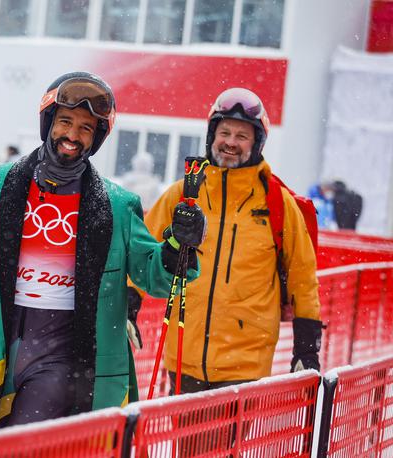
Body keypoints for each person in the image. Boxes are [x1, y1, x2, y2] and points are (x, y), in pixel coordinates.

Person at [0, 72, 206, 439]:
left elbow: (152, 273)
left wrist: (178, 246)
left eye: (86, 128)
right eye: (65, 122)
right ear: (48, 123)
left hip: (62, 352)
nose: (73, 136)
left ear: (97, 137)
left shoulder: (117, 206)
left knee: (22, 441)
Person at [129, 88, 322, 396]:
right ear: (212, 136)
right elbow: (142, 250)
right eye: (225, 132)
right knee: (189, 446)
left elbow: (302, 276)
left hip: (245, 364)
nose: (231, 142)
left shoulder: (277, 203)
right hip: (184, 355)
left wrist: (306, 345)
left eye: (242, 136)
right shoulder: (184, 195)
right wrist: (129, 302)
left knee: (225, 446)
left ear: (257, 143)